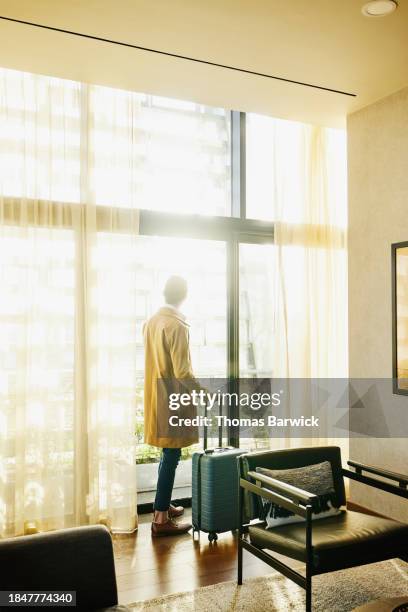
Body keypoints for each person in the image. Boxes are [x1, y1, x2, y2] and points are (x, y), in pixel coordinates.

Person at [143, 275, 198, 537]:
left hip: (156, 397)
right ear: (184, 295)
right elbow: (183, 372)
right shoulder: (177, 326)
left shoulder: (152, 322)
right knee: (172, 456)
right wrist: (204, 393)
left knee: (166, 454)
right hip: (173, 400)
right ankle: (161, 519)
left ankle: (161, 506)